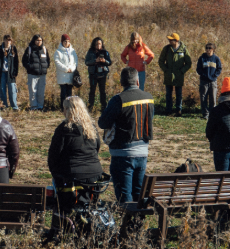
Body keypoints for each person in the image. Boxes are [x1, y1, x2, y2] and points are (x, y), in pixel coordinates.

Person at [47, 95, 103, 235]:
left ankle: (62, 227)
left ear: (68, 110)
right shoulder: (91, 128)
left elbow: (53, 156)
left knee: (59, 195)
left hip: (72, 178)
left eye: (64, 109)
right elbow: (96, 149)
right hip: (94, 176)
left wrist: (56, 174)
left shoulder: (64, 128)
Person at [98, 68, 154, 205]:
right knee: (138, 193)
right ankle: (137, 225)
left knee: (125, 197)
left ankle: (128, 224)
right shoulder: (149, 98)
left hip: (122, 154)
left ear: (122, 82)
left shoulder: (118, 100)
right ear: (137, 81)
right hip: (142, 153)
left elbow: (102, 123)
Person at [205, 77, 230, 171]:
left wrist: (213, 140)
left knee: (222, 178)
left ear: (223, 91)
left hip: (222, 148)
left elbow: (209, 131)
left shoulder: (217, 110)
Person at [157, 32, 192, 117]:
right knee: (168, 94)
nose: (169, 41)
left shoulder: (183, 49)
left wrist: (182, 71)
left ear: (176, 41)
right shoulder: (166, 49)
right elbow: (161, 61)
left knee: (178, 94)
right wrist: (166, 70)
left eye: (171, 40)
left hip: (179, 76)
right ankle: (168, 110)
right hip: (168, 75)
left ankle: (178, 110)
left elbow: (188, 63)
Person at [23, 34, 52, 111]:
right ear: (34, 41)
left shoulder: (44, 49)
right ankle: (33, 107)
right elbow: (24, 61)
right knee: (33, 91)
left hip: (42, 75)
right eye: (37, 40)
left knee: (41, 92)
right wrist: (31, 68)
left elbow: (48, 61)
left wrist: (45, 67)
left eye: (40, 40)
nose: (39, 42)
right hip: (32, 74)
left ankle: (40, 107)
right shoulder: (29, 49)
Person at [196, 43, 222, 120]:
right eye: (207, 48)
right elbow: (198, 69)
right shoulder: (202, 58)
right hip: (204, 81)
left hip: (213, 81)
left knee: (213, 98)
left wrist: (214, 76)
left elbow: (219, 69)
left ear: (213, 49)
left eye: (210, 48)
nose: (208, 49)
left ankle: (212, 114)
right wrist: (203, 75)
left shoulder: (216, 59)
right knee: (203, 97)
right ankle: (205, 114)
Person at [0, 35, 20, 110]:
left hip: (10, 73)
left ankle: (14, 107)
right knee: (2, 90)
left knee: (12, 90)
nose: (8, 42)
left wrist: (15, 72)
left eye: (10, 40)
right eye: (7, 40)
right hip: (1, 73)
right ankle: (4, 106)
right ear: (4, 40)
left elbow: (16, 62)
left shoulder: (13, 49)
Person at [84, 37, 112, 111]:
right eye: (96, 44)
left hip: (103, 74)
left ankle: (104, 107)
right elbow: (86, 62)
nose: (98, 45)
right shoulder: (90, 52)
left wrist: (104, 61)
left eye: (99, 44)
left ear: (102, 44)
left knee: (102, 91)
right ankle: (90, 107)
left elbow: (109, 62)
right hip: (93, 74)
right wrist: (94, 61)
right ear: (94, 44)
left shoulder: (105, 52)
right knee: (92, 91)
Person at [54, 34, 79, 109]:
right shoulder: (58, 52)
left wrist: (72, 69)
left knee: (69, 93)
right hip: (62, 75)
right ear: (62, 42)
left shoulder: (72, 51)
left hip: (70, 75)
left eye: (68, 41)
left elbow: (75, 61)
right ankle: (63, 107)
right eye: (65, 41)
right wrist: (66, 69)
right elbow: (57, 62)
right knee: (63, 93)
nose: (66, 43)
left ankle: (69, 107)